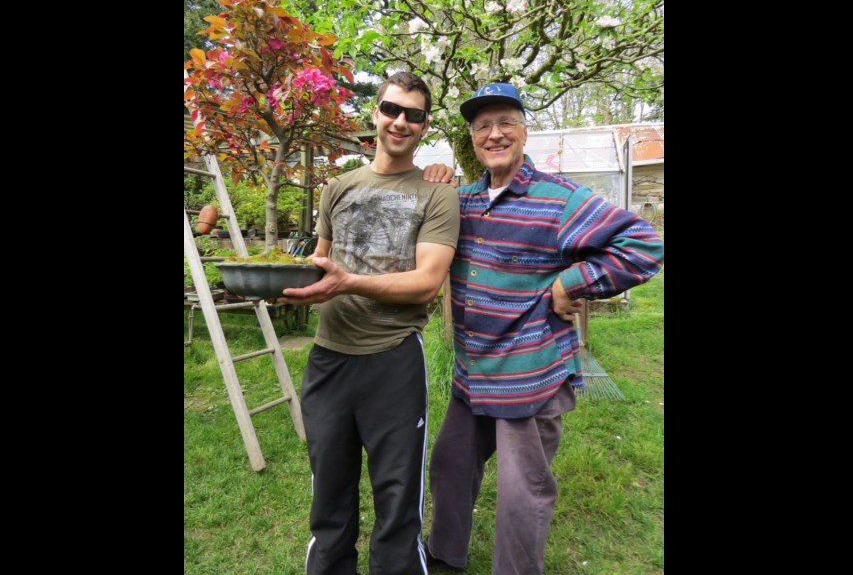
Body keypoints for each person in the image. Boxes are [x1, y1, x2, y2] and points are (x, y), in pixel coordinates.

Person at [422, 83, 664, 574]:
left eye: (505, 123)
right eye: (482, 126)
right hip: (474, 372)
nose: (494, 134)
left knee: (521, 490)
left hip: (530, 373)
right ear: (471, 139)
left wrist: (572, 282)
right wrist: (430, 181)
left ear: (524, 131)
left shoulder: (559, 198)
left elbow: (644, 245)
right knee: (449, 463)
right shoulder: (462, 201)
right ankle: (444, 555)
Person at [279, 71, 460, 575]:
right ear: (375, 114)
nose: (401, 122)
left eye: (415, 115)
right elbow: (321, 261)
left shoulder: (436, 194)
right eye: (392, 110)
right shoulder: (337, 187)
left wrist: (347, 283)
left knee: (397, 495)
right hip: (328, 358)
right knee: (329, 488)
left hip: (393, 358)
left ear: (425, 126)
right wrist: (287, 283)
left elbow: (427, 283)